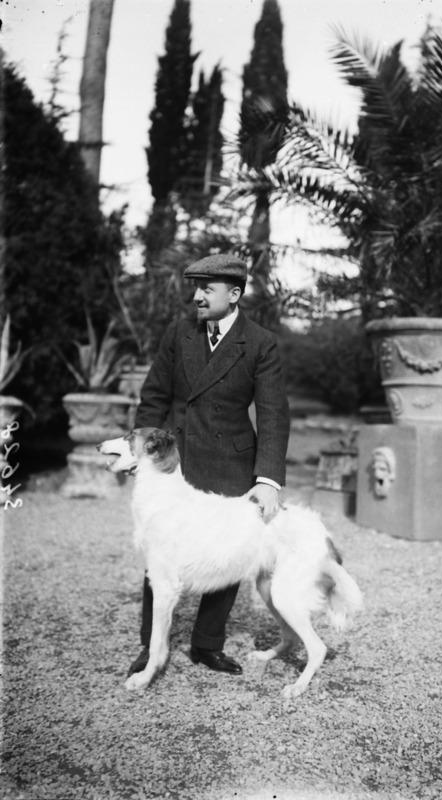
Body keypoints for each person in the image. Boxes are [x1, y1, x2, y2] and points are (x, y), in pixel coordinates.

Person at [128, 253, 290, 677]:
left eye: (207, 288)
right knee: (160, 554)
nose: (197, 296)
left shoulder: (261, 342)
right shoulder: (179, 332)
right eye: (196, 287)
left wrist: (268, 479)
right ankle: (151, 647)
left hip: (232, 463)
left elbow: (273, 414)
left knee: (229, 552)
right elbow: (154, 396)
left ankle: (206, 644)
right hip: (177, 463)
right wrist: (141, 449)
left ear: (234, 294)